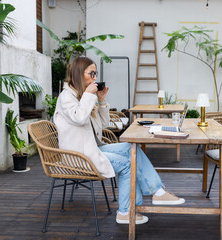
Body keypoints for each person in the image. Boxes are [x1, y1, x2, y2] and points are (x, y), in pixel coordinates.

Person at [54, 56, 185, 225]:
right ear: (79, 73)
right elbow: (79, 118)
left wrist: (101, 101)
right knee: (127, 163)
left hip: (91, 149)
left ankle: (158, 192)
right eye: (91, 73)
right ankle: (125, 211)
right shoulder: (67, 97)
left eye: (95, 73)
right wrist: (88, 95)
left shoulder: (82, 96)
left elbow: (103, 124)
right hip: (78, 156)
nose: (94, 78)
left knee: (132, 148)